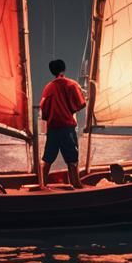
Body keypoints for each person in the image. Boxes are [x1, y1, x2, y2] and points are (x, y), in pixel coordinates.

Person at [39, 59, 87, 189]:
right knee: (72, 158)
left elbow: (44, 109)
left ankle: (42, 184)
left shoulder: (48, 88)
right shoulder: (72, 85)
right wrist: (70, 109)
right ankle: (76, 184)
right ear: (64, 69)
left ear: (52, 71)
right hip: (67, 127)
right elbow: (81, 104)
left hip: (53, 128)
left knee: (48, 157)